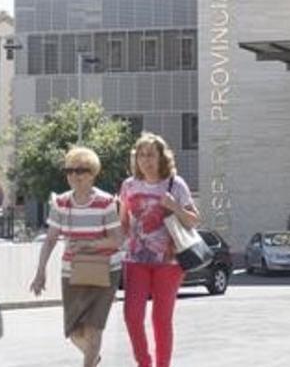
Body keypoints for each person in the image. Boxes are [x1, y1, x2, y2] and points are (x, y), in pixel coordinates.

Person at [30, 147, 123, 367]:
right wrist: (40, 271)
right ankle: (93, 355)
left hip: (106, 270)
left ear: (92, 173)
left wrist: (88, 244)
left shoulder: (106, 201)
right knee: (73, 331)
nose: (74, 175)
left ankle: (89, 359)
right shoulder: (61, 203)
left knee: (94, 328)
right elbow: (51, 239)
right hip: (72, 273)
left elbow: (117, 240)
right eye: (69, 170)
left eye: (80, 171)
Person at [119, 132, 199, 367]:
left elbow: (194, 220)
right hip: (135, 260)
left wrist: (173, 206)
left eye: (151, 154)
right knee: (132, 316)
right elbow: (122, 221)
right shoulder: (129, 185)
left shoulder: (175, 184)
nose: (146, 160)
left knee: (161, 319)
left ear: (161, 157)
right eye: (141, 155)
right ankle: (144, 363)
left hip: (170, 263)